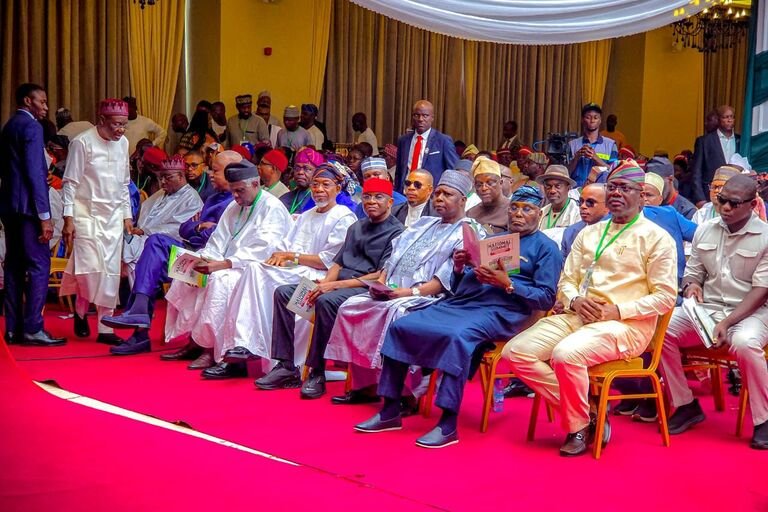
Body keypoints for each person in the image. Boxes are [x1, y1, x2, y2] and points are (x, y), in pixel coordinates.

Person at [354, 185, 562, 448]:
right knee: (402, 326)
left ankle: (448, 423)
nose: (518, 214)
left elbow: (546, 298)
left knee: (457, 337)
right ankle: (390, 409)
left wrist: (508, 284)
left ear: (539, 215)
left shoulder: (547, 248)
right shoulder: (495, 240)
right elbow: (462, 283)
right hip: (466, 302)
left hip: (507, 311)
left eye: (527, 209)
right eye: (514, 208)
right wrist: (461, 267)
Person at [503, 160, 678, 456]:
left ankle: (577, 427)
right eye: (612, 187)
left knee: (566, 355)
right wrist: (575, 300)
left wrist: (617, 311)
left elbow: (665, 297)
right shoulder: (589, 233)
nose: (616, 193)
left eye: (625, 188)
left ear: (641, 195)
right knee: (515, 353)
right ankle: (589, 410)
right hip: (578, 315)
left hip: (626, 325)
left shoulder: (657, 238)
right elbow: (566, 281)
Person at [325, 170, 474, 405]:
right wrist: (381, 284)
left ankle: (407, 394)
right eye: (438, 193)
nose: (439, 199)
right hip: (394, 290)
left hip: (428, 297)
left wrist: (406, 293)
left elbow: (443, 281)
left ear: (463, 200)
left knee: (397, 315)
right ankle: (366, 384)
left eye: (447, 194)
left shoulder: (468, 231)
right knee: (351, 306)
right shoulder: (424, 223)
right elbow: (393, 258)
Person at [254, 178, 404, 398]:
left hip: (364, 289)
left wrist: (333, 286)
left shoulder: (397, 232)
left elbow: (380, 275)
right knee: (284, 293)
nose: (371, 201)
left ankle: (317, 372)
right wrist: (324, 284)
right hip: (336, 284)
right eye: (367, 197)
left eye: (378, 197)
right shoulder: (356, 227)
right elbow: (337, 264)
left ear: (390, 202)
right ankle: (286, 366)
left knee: (325, 301)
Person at [204, 164, 357, 376]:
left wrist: (291, 257)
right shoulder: (307, 214)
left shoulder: (343, 216)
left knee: (256, 273)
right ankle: (243, 346)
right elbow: (284, 247)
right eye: (315, 185)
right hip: (294, 270)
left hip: (319, 277)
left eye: (325, 185)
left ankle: (252, 350)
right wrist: (279, 259)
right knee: (254, 269)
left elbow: (328, 262)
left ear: (338, 189)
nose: (319, 189)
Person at [658, 175, 768, 450]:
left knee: (744, 343)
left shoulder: (765, 237)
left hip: (752, 312)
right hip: (708, 310)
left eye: (734, 203)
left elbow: (761, 291)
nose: (725, 207)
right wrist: (691, 286)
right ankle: (685, 404)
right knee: (659, 331)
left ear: (752, 204)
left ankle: (764, 419)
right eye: (721, 200)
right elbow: (693, 273)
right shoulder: (705, 230)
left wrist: (727, 323)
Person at [100, 151, 238, 355]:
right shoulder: (213, 198)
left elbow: (219, 235)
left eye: (215, 170)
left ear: (232, 172)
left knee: (152, 252)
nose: (209, 174)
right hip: (195, 254)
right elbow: (185, 229)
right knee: (154, 248)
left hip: (213, 264)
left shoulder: (236, 201)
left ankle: (139, 329)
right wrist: (200, 227)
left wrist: (199, 227)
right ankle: (138, 316)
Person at [163, 160, 293, 368]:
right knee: (188, 274)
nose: (235, 196)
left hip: (256, 270)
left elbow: (264, 249)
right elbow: (218, 239)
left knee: (220, 281)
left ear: (255, 184)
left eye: (240, 191)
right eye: (233, 191)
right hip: (226, 264)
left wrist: (222, 264)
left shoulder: (272, 208)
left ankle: (210, 348)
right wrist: (206, 259)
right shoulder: (235, 205)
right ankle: (193, 340)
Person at [60, 99, 133, 344]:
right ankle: (81, 310)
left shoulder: (123, 143)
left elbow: (124, 183)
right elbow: (70, 183)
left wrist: (127, 215)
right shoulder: (82, 142)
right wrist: (68, 218)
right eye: (116, 124)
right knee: (89, 269)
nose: (121, 129)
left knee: (110, 272)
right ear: (102, 120)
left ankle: (105, 328)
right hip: (85, 214)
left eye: (124, 124)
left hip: (113, 217)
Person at [0, 83, 65, 346]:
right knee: (39, 266)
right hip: (29, 208)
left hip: (9, 206)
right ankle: (33, 328)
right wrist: (45, 215)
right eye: (42, 101)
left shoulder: (9, 126)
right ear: (28, 101)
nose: (46, 107)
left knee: (14, 266)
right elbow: (35, 173)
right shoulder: (32, 127)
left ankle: (12, 328)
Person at [122, 156, 203, 282]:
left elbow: (179, 229)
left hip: (168, 246)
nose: (163, 182)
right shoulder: (162, 193)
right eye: (161, 178)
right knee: (120, 242)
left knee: (129, 253)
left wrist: (145, 231)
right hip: (143, 238)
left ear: (181, 176)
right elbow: (144, 213)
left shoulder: (192, 199)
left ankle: (138, 290)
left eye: (168, 177)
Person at [394, 100, 459, 192]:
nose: (420, 119)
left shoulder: (443, 141)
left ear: (432, 118)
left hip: (430, 195)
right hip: (406, 193)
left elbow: (453, 171)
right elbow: (399, 171)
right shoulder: (403, 140)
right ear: (412, 117)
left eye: (425, 115)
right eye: (417, 115)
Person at [691, 105, 740, 206]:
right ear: (718, 119)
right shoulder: (704, 141)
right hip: (710, 194)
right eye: (725, 117)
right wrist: (700, 198)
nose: (729, 120)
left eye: (731, 117)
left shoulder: (741, 140)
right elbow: (696, 172)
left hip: (736, 194)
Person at [567, 103, 618, 188]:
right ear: (582, 120)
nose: (592, 120)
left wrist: (596, 158)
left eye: (596, 117)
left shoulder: (611, 145)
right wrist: (576, 158)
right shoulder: (572, 144)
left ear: (600, 120)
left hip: (600, 191)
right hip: (575, 191)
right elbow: (566, 173)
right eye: (588, 117)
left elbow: (615, 173)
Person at [561, 184, 608, 258]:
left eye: (590, 202)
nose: (583, 206)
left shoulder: (617, 231)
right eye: (581, 201)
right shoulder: (570, 233)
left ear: (607, 206)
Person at [537, 165, 581, 244]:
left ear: (568, 188)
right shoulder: (541, 213)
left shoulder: (577, 213)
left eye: (558, 186)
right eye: (548, 186)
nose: (552, 191)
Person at [467, 158, 509, 234]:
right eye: (479, 185)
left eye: (489, 183)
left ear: (501, 183)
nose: (484, 188)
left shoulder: (513, 211)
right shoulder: (470, 213)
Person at [281, 147, 324, 215]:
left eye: (307, 169)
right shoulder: (285, 198)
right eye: (297, 168)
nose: (300, 172)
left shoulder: (322, 201)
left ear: (317, 172)